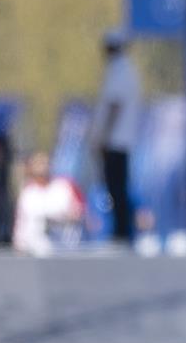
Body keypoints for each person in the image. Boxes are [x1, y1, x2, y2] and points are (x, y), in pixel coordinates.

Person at [89, 29, 141, 243]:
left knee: (116, 185)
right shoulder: (126, 70)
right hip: (122, 139)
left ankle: (122, 230)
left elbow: (114, 106)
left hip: (115, 139)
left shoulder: (119, 71)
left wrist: (103, 136)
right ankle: (122, 228)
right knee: (118, 184)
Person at [13, 152, 84, 257]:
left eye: (44, 163)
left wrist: (59, 219)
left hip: (65, 251)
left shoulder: (64, 186)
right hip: (35, 253)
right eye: (38, 164)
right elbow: (21, 223)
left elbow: (81, 213)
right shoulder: (27, 193)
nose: (42, 168)